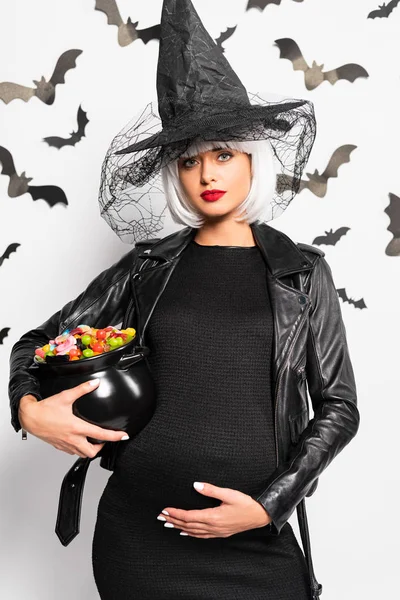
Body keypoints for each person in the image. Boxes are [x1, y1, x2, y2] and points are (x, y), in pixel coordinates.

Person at [9, 1, 360, 598]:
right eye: (190, 160)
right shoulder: (149, 266)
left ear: (252, 157)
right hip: (141, 536)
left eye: (223, 154)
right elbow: (36, 344)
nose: (207, 174)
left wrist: (267, 507)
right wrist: (29, 409)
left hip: (254, 539)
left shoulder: (302, 272)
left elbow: (338, 408)